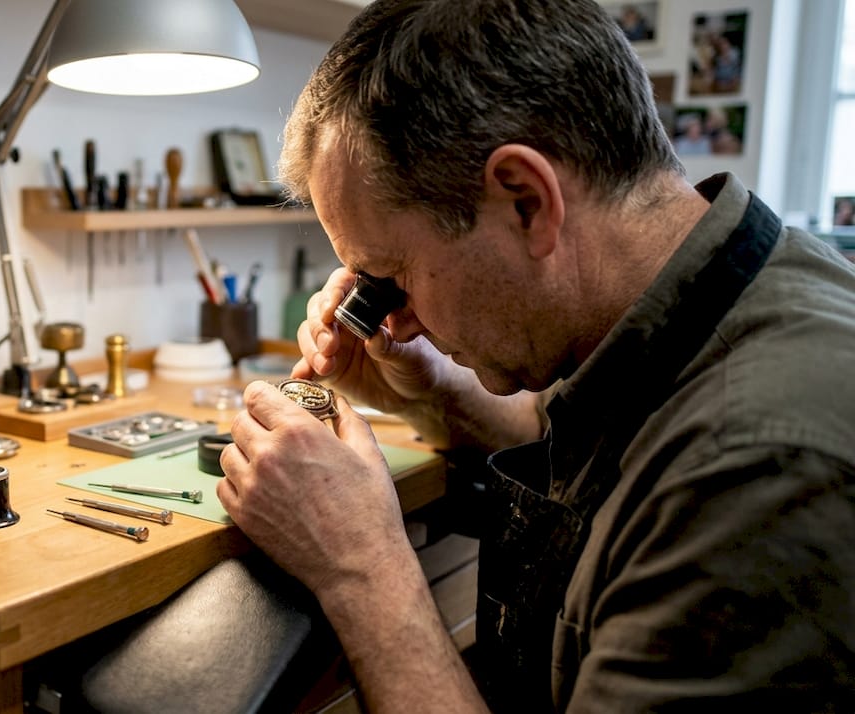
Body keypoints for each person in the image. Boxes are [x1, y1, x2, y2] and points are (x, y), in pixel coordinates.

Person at [215, 0, 855, 711]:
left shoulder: (755, 475)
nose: (396, 316)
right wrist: (431, 391)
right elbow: (574, 435)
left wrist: (359, 567)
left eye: (392, 273)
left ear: (525, 201)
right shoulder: (708, 299)